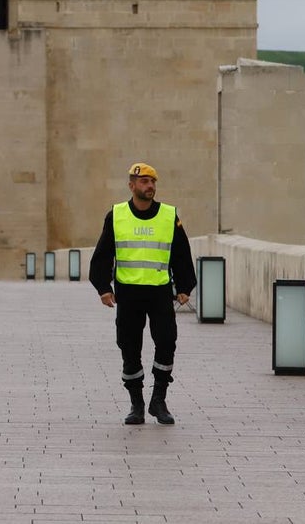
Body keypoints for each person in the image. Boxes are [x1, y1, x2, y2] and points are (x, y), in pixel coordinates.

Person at [89, 162, 196, 425]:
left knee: (167, 341)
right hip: (128, 293)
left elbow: (182, 254)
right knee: (129, 347)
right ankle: (136, 404)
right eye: (145, 182)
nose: (150, 186)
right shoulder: (116, 215)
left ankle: (158, 400)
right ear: (132, 185)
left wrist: (184, 287)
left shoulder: (170, 215)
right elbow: (103, 254)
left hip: (160, 292)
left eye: (153, 182)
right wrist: (103, 287)